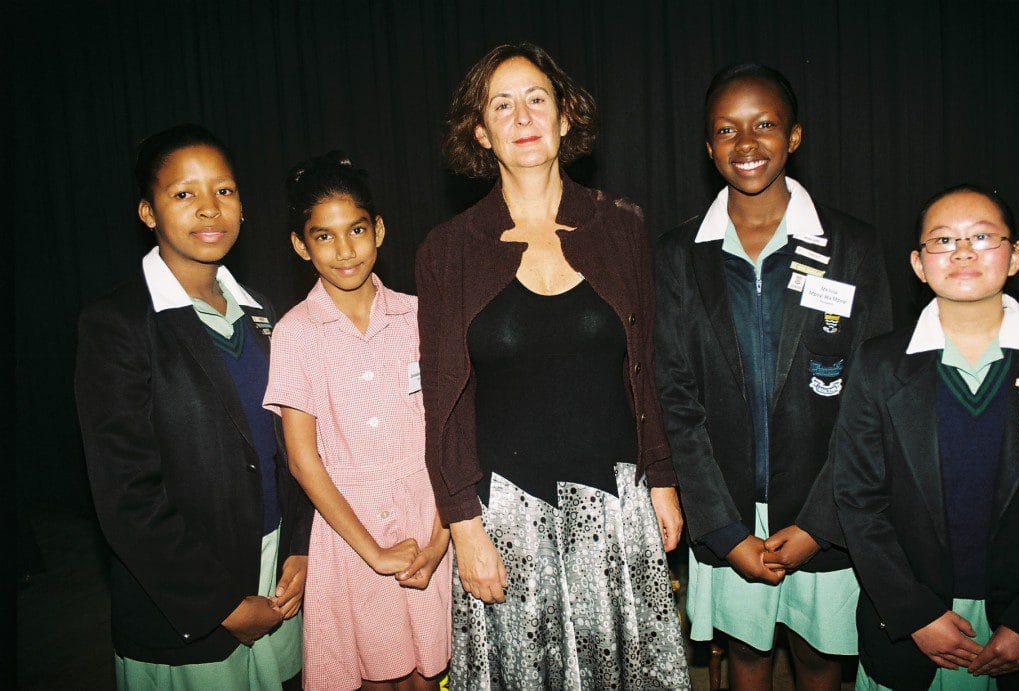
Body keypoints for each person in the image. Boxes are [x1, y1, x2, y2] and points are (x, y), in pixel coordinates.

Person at [415, 42, 690, 690]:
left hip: (614, 506)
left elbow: (646, 364)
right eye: (501, 105)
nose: (523, 115)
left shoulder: (621, 226)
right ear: (480, 133)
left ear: (566, 116)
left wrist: (664, 478)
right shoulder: (447, 251)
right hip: (507, 518)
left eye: (537, 98)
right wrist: (463, 527)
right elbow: (443, 404)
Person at [654, 63, 892, 690]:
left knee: (818, 662)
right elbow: (674, 397)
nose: (747, 143)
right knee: (746, 661)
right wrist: (723, 529)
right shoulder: (678, 255)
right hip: (727, 511)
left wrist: (821, 524)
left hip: (824, 510)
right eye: (726, 130)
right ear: (709, 149)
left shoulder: (851, 247)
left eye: (764, 125)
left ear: (794, 136)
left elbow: (872, 402)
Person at [75, 124, 312, 689]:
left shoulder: (265, 315)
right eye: (184, 194)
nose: (210, 209)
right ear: (147, 212)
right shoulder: (117, 325)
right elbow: (126, 496)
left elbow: (296, 447)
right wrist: (220, 604)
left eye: (224, 191)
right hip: (187, 598)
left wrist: (301, 550)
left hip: (277, 577)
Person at [263, 153, 451, 691]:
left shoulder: (419, 315)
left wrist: (441, 535)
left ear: (379, 231)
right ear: (301, 245)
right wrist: (372, 551)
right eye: (324, 237)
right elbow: (303, 460)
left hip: (428, 523)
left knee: (432, 671)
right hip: (352, 542)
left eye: (357, 230)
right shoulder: (297, 333)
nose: (344, 251)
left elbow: (447, 431)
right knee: (373, 675)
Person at [834, 184, 1019, 690]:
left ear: (1016, 254)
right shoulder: (878, 365)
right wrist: (912, 611)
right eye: (942, 241)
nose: (962, 251)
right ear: (919, 264)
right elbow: (857, 498)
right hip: (913, 618)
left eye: (982, 236)